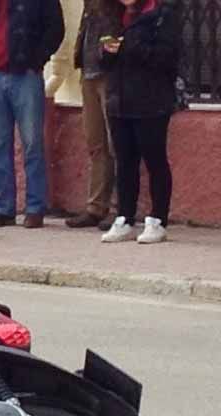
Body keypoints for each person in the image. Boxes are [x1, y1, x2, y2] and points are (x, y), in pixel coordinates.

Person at [0, 0, 64, 229]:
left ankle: (35, 208)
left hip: (25, 76)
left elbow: (55, 28)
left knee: (32, 144)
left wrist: (36, 59)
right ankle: (3, 208)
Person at [99, 0, 182, 245]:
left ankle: (158, 219)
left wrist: (131, 46)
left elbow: (167, 57)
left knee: (154, 160)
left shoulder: (162, 15)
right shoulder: (115, 15)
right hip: (120, 101)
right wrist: (107, 52)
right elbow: (106, 63)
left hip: (151, 101)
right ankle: (124, 217)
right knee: (124, 162)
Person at [66, 1, 120, 230]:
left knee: (116, 142)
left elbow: (118, 25)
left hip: (110, 72)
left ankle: (121, 208)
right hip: (89, 70)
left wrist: (110, 50)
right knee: (95, 142)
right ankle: (96, 206)